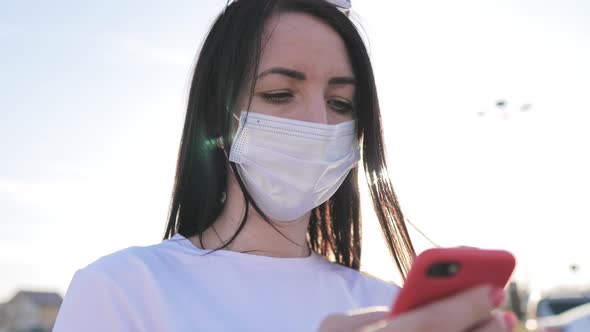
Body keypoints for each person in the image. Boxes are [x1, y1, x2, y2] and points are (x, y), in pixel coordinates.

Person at [53, 0, 517, 331]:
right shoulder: (121, 290)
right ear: (219, 115)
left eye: (340, 102)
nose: (318, 122)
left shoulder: (385, 307)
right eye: (279, 94)